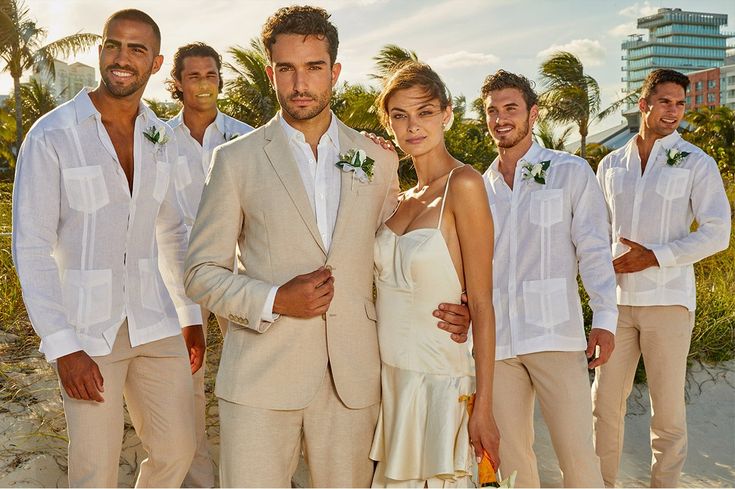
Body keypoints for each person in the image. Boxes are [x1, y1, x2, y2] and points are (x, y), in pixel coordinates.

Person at [183, 6, 470, 487]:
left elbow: (398, 255)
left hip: (355, 381)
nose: (300, 83)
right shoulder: (234, 160)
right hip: (259, 380)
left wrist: (457, 307)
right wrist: (275, 299)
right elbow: (200, 272)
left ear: (334, 72)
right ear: (271, 71)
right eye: (286, 69)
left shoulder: (377, 158)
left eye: (314, 67)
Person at [11, 9, 202, 488]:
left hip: (156, 323)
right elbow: (31, 247)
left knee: (178, 450)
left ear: (155, 63)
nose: (122, 58)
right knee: (95, 470)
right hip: (86, 332)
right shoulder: (52, 134)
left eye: (137, 49)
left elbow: (171, 232)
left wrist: (190, 314)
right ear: (101, 52)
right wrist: (63, 346)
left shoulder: (162, 138)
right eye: (114, 45)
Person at [592, 69, 731, 488]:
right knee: (602, 405)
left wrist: (655, 256)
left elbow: (717, 232)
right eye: (665, 101)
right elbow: (597, 230)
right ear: (644, 104)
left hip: (669, 301)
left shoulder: (696, 163)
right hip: (615, 304)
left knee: (667, 412)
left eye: (680, 104)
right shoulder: (610, 164)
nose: (673, 111)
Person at [480, 70, 618, 487]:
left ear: (532, 114)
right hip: (497, 343)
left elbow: (594, 249)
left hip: (556, 335)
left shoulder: (570, 172)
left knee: (578, 459)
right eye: (492, 111)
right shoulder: (477, 187)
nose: (501, 118)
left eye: (511, 109)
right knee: (512, 464)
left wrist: (605, 319)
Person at [368, 62, 499, 488]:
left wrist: (483, 408)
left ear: (447, 113)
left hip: (440, 378)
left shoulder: (465, 184)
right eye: (400, 116)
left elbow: (481, 303)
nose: (412, 126)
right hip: (391, 380)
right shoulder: (397, 200)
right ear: (389, 125)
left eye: (424, 112)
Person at [165, 42, 253, 488]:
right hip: (177, 272)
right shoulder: (157, 139)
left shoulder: (246, 136)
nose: (204, 83)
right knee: (188, 378)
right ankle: (199, 479)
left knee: (248, 371)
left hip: (237, 271)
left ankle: (251, 471)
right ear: (177, 83)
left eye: (212, 75)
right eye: (194, 76)